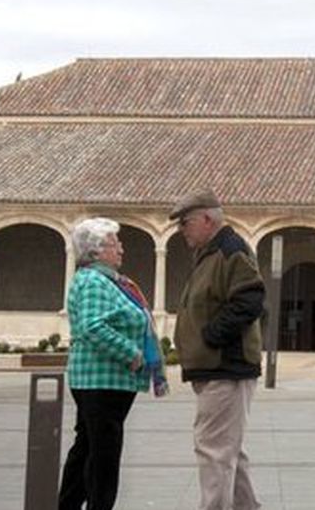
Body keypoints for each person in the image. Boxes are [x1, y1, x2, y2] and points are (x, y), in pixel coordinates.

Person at [59, 217, 168, 510]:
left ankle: (68, 505)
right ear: (94, 251)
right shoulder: (95, 281)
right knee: (103, 455)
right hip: (101, 381)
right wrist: (132, 354)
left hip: (103, 380)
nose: (121, 249)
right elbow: (93, 327)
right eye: (114, 244)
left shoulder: (107, 281)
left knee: (88, 449)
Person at [171, 190, 265, 510]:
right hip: (217, 366)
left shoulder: (230, 251)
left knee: (213, 450)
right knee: (227, 449)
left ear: (208, 219)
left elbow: (250, 299)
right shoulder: (212, 253)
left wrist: (212, 336)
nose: (181, 230)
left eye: (185, 223)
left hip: (226, 366)